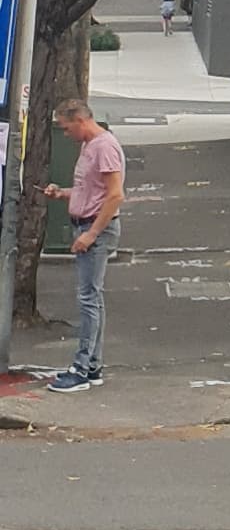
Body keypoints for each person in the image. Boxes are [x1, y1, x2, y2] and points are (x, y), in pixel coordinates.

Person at [43, 99, 127, 392]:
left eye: (67, 128)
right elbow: (90, 190)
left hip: (95, 229)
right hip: (86, 222)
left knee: (88, 299)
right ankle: (92, 365)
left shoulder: (104, 147)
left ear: (80, 120)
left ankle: (81, 368)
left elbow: (115, 195)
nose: (66, 134)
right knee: (93, 297)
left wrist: (91, 233)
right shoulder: (88, 146)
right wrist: (63, 193)